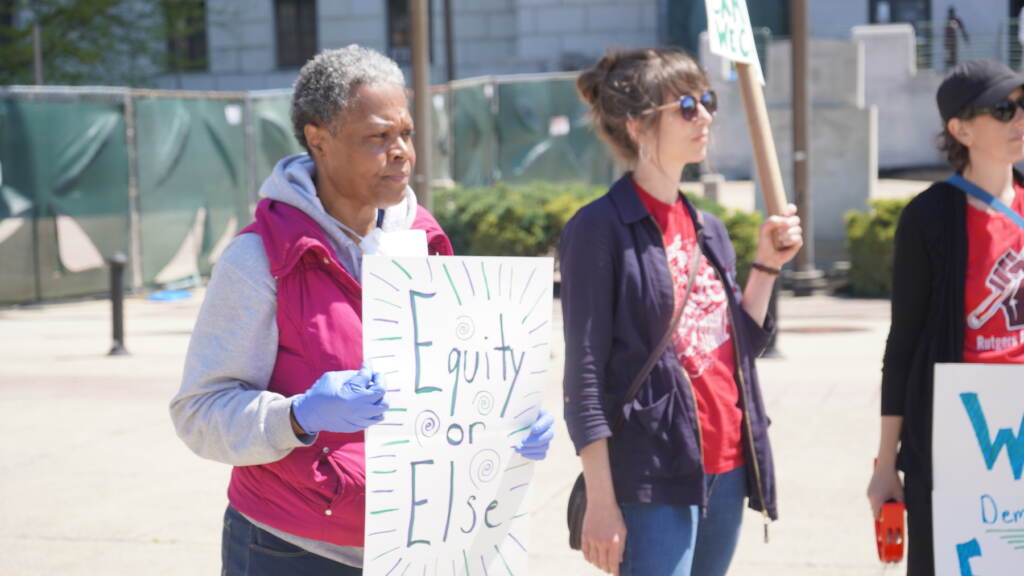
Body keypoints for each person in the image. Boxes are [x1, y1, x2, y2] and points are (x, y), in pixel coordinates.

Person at [169, 45, 554, 575]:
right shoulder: (259, 260)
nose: (400, 152)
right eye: (377, 136)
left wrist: (504, 423)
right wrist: (298, 416)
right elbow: (198, 414)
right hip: (291, 550)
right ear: (318, 140)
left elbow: (451, 391)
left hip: (420, 546)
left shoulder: (428, 244)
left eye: (406, 134)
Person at [560, 47, 803, 576]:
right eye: (687, 106)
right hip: (650, 471)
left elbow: (739, 348)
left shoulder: (709, 229)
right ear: (638, 124)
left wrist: (766, 265)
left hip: (728, 464)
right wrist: (602, 499)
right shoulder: (597, 230)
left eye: (707, 100)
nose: (706, 116)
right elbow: (584, 376)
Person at [866, 59, 1024, 576]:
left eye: (1022, 106)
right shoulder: (928, 217)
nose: (1018, 118)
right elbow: (904, 344)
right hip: (955, 431)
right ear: (960, 129)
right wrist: (887, 463)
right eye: (1003, 109)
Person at [944, 6, 970, 71]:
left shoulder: (956, 20)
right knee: (949, 56)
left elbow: (962, 29)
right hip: (949, 42)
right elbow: (946, 32)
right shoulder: (948, 20)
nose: (951, 14)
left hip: (954, 42)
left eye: (951, 13)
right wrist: (946, 42)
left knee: (954, 56)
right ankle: (950, 69)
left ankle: (955, 69)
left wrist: (965, 37)